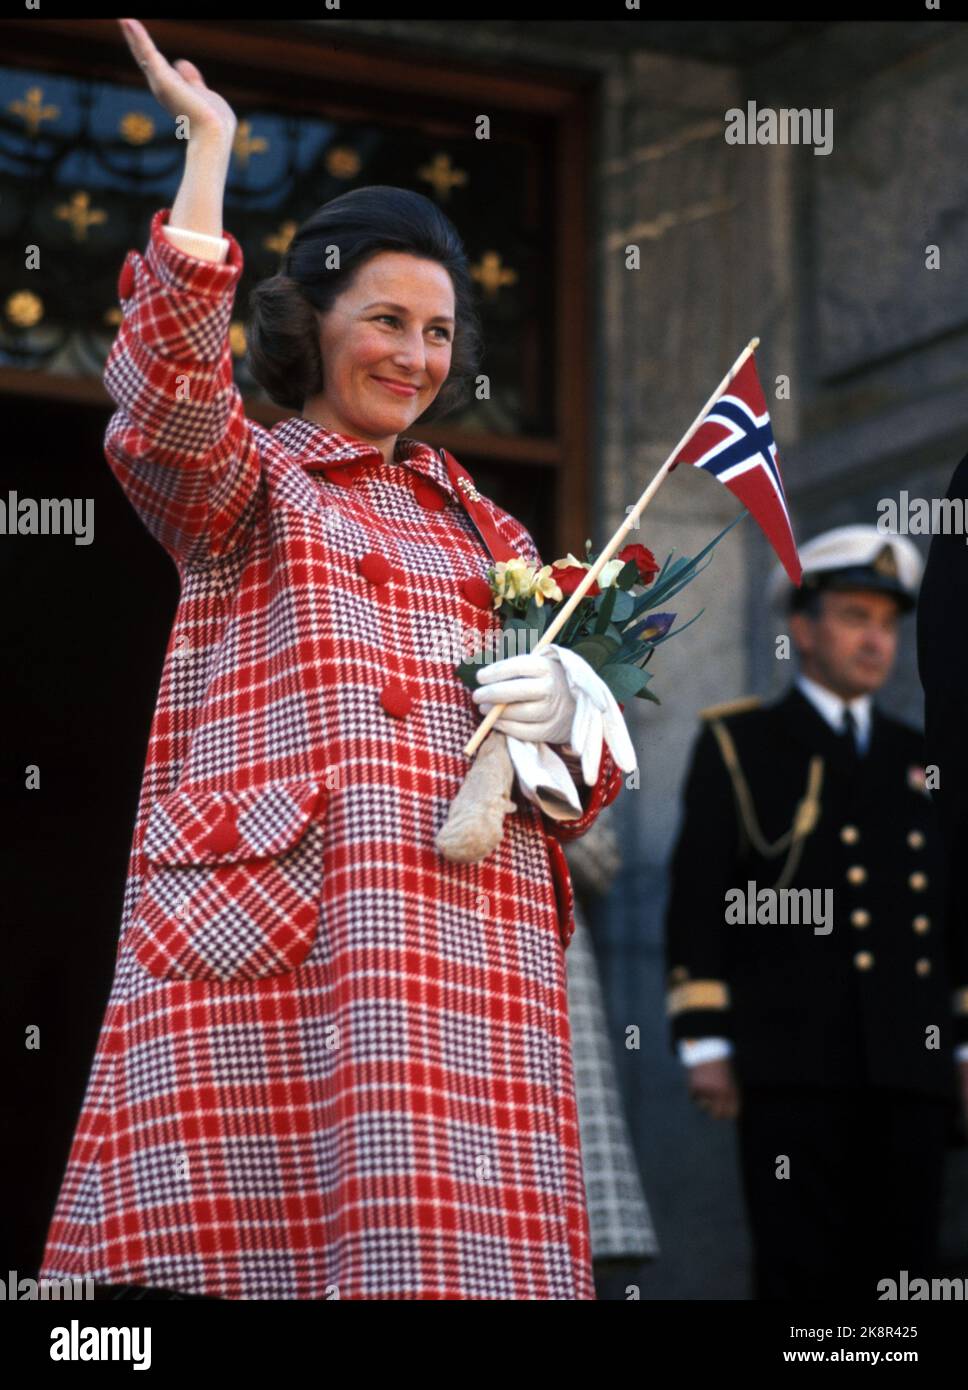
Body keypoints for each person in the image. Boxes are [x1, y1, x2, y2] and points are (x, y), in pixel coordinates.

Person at [38, 18, 633, 1301]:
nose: (414, 357)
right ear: (309, 322)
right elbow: (164, 401)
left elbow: (577, 792)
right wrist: (209, 155)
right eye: (383, 320)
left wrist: (578, 710)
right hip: (296, 954)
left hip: (471, 964)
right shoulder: (249, 482)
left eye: (436, 330)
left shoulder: (491, 524)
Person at [663, 524, 968, 1301]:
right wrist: (704, 1038)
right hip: (791, 1064)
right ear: (802, 627)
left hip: (910, 1065)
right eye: (854, 616)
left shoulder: (920, 757)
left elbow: (952, 910)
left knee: (902, 1272)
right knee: (799, 1269)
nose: (875, 640)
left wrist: (961, 1045)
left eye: (886, 623)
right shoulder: (742, 743)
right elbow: (701, 898)